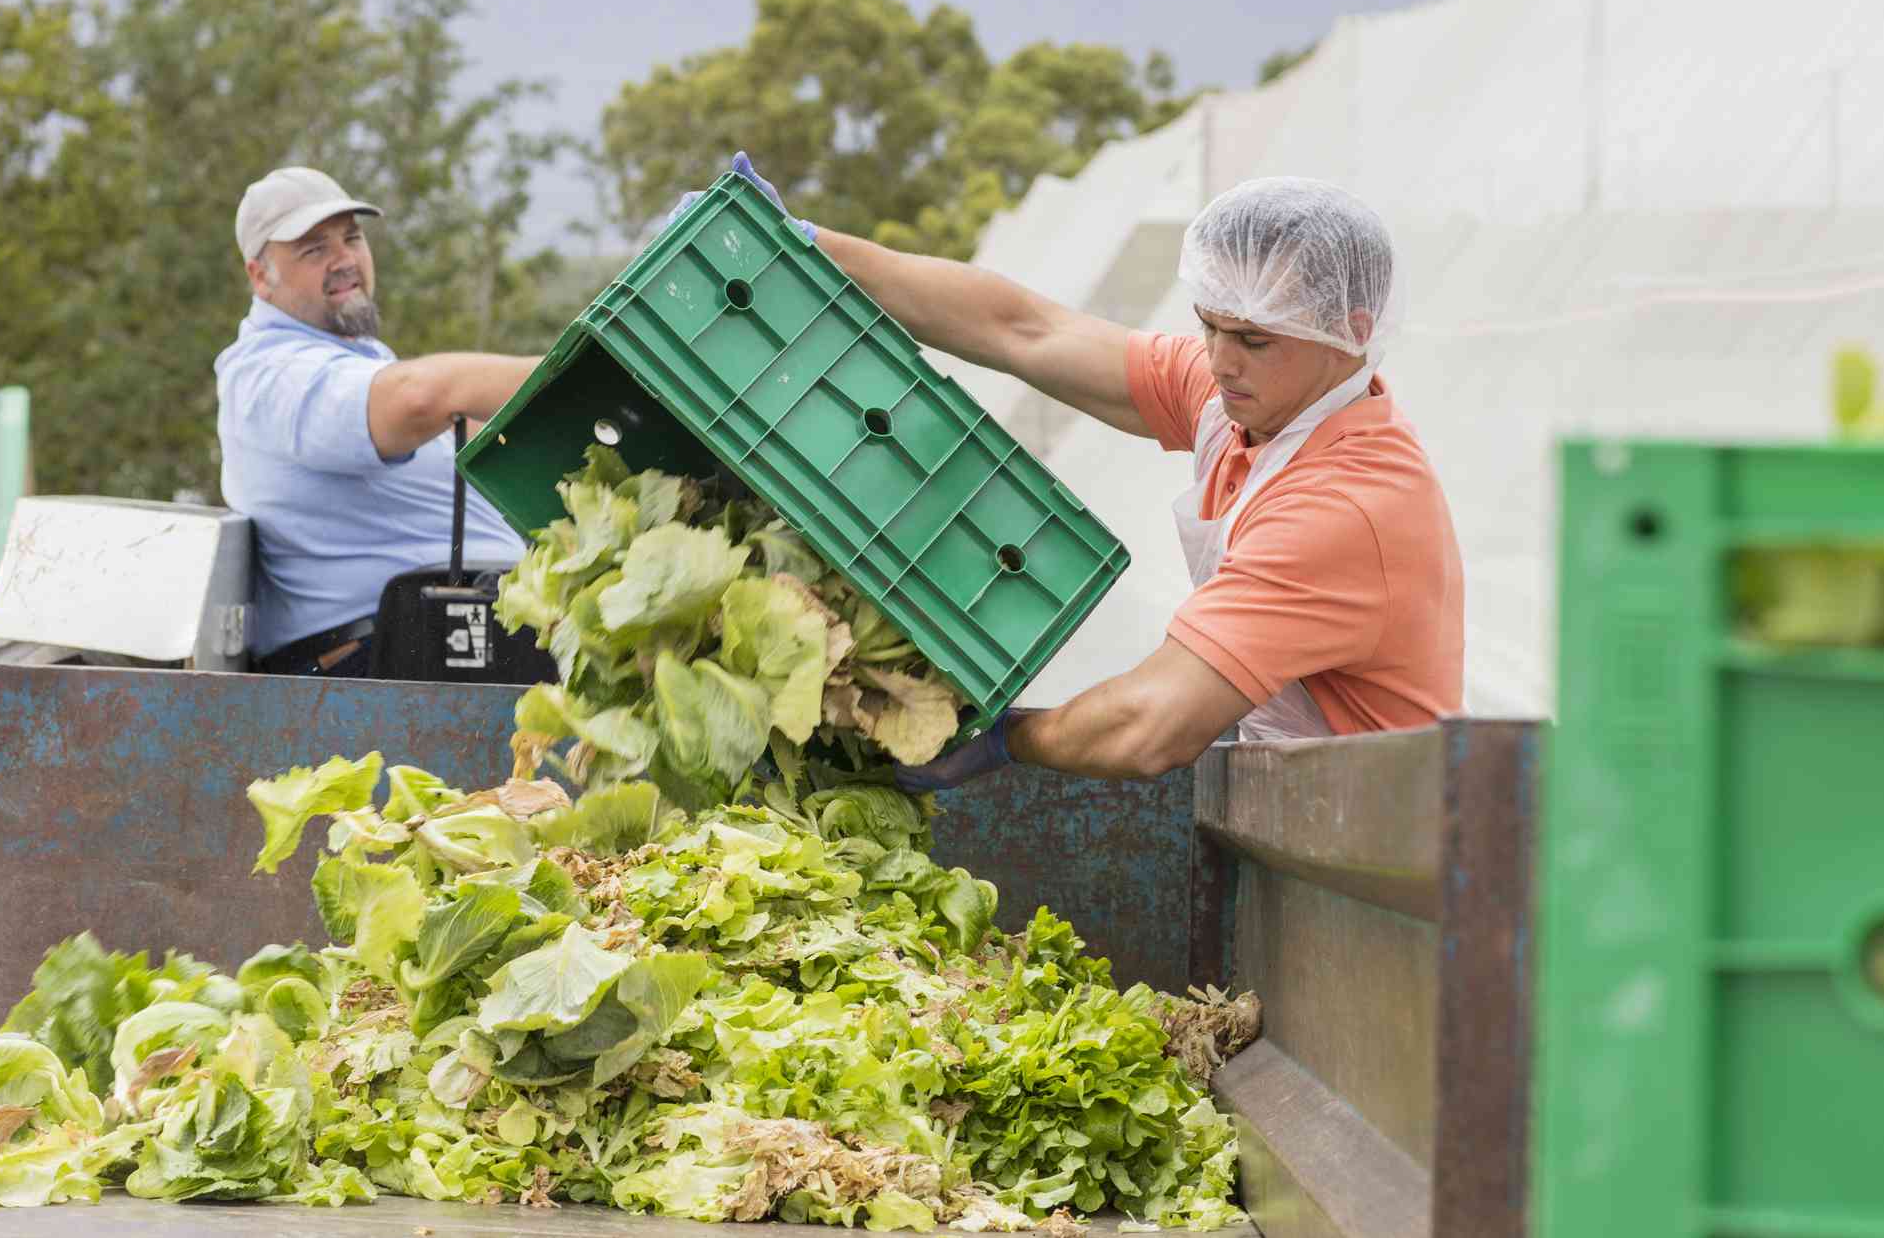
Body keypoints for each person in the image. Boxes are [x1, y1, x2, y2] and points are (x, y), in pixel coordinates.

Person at [680, 154, 1464, 789]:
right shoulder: (1249, 406)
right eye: (1208, 327)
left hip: (1382, 851)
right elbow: (1026, 329)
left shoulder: (1343, 507)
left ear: (1352, 333)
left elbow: (1148, 726)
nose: (1219, 363)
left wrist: (1007, 740)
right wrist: (809, 246)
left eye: (1253, 341)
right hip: (1304, 811)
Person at [215, 166, 539, 677]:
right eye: (313, 249)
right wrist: (585, 369)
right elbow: (422, 396)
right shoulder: (266, 374)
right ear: (260, 276)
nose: (344, 260)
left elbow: (493, 438)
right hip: (376, 671)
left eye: (351, 237)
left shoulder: (360, 363)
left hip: (463, 643)